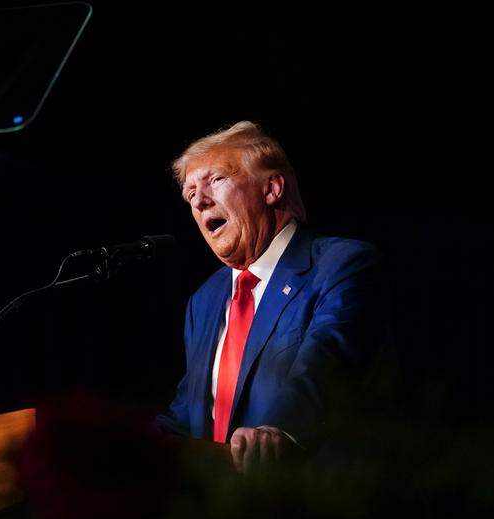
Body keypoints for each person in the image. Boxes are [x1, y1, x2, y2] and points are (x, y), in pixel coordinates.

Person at [156, 121, 384, 472]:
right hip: (215, 510)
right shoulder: (205, 300)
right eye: (190, 193)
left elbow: (324, 364)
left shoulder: (340, 265)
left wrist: (279, 429)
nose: (200, 201)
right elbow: (190, 413)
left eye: (215, 180)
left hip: (304, 496)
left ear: (272, 188)